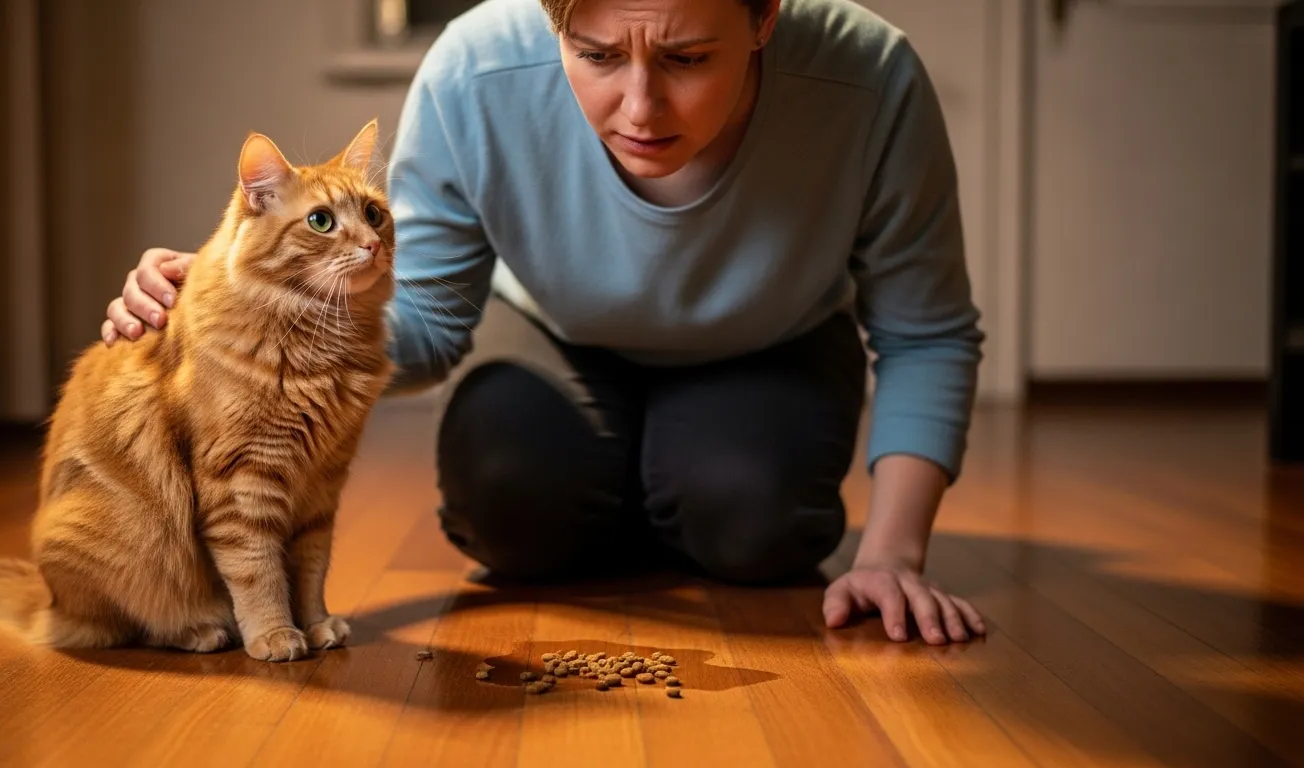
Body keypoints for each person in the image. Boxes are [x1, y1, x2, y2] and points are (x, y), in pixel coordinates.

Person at [103, 0, 987, 645]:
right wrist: (230, 316)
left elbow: (928, 332)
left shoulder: (872, 77)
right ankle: (651, 478)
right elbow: (426, 325)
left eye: (686, 59)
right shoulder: (475, 68)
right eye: (598, 55)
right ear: (551, 20)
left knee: (753, 525)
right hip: (555, 335)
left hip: (771, 342)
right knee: (513, 507)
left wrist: (894, 557)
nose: (639, 108)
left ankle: (680, 479)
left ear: (765, 18)